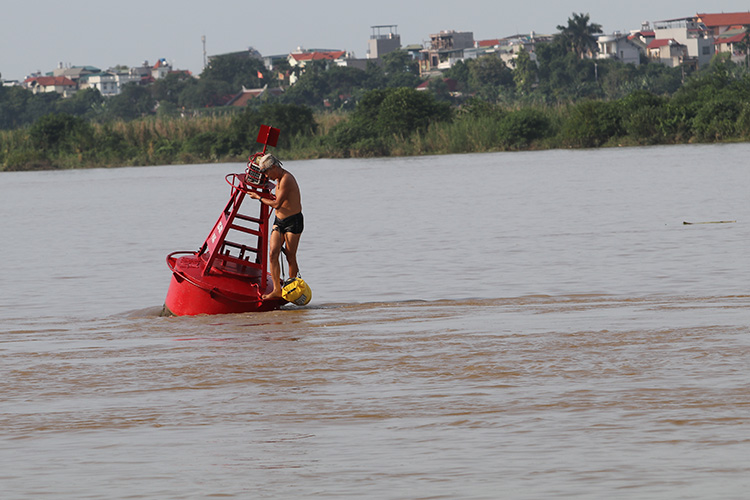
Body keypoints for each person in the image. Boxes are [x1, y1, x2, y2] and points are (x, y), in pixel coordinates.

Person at [248, 153, 303, 300]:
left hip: (293, 221)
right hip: (279, 221)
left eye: (267, 172)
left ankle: (292, 288)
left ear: (274, 167)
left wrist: (258, 197)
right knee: (273, 253)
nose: (266, 176)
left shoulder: (286, 179)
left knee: (290, 256)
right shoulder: (277, 178)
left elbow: (277, 204)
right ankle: (277, 291)